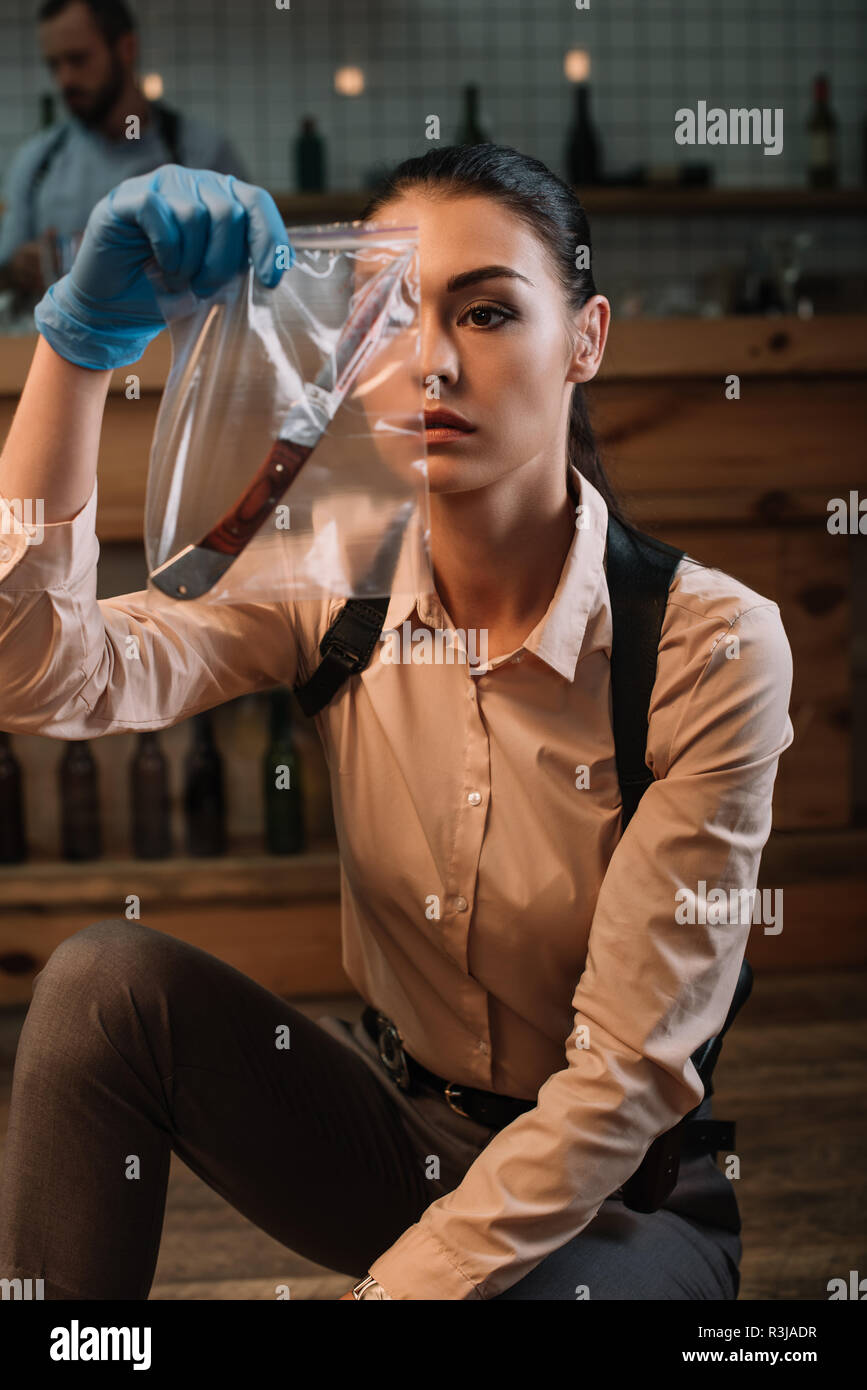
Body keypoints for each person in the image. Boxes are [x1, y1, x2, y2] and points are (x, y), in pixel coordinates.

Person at [0, 148, 794, 1301]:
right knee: (98, 986)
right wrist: (70, 356)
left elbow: (624, 1077)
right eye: (390, 314)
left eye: (485, 310)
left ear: (586, 339)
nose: (430, 360)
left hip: (618, 1201)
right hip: (394, 1140)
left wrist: (392, 1297)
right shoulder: (333, 578)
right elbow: (41, 677)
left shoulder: (708, 645)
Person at [0, 0, 248, 306]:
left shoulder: (201, 153)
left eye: (78, 60)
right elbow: (5, 268)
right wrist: (18, 269)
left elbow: (245, 267)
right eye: (54, 65)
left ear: (126, 49)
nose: (65, 80)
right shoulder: (37, 162)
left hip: (176, 343)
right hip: (62, 347)